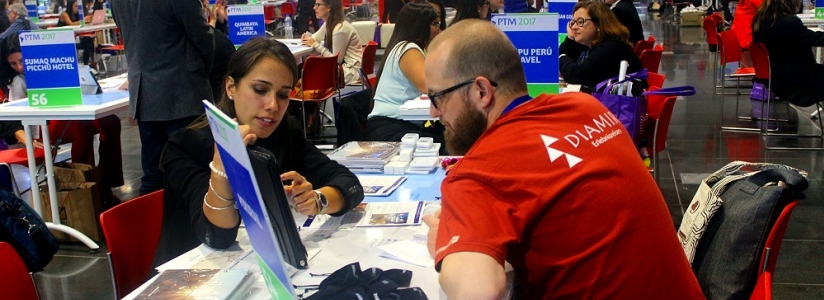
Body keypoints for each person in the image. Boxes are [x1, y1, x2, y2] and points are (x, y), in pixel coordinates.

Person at [421, 20, 705, 299]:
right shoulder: (584, 105)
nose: (434, 113)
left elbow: (476, 291)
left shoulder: (477, 174)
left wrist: (448, 243)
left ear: (481, 91)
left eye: (437, 97)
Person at [153, 38, 364, 267]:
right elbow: (216, 236)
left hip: (258, 266)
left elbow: (350, 185)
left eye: (283, 95)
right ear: (231, 87)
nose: (273, 105)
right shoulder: (187, 146)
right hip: (192, 275)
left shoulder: (284, 134)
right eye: (260, 90)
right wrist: (223, 168)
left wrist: (316, 200)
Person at [112, 0, 215, 195]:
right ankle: (194, 224)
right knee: (193, 172)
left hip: (145, 94)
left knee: (152, 174)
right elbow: (203, 38)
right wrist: (201, 73)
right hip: (184, 92)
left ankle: (153, 223)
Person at [0, 34, 124, 194]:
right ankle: (86, 187)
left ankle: (105, 180)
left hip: (60, 114)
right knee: (82, 127)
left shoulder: (46, 67)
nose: (18, 67)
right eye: (13, 63)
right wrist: (27, 139)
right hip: (40, 126)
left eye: (22, 61)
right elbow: (16, 116)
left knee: (110, 121)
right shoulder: (17, 81)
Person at [365, 2, 446, 152]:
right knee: (449, 148)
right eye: (435, 24)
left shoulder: (404, 47)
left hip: (397, 125)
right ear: (420, 25)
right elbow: (428, 86)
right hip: (391, 130)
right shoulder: (408, 49)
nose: (439, 30)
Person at [752, 0, 824, 107]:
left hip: (774, 80)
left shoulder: (759, 21)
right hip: (797, 84)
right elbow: (814, 38)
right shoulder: (789, 23)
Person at [559, 1, 642, 90]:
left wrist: (561, 57)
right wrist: (571, 38)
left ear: (599, 24)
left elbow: (577, 77)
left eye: (580, 22)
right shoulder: (592, 45)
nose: (574, 27)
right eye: (573, 22)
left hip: (621, 102)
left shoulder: (610, 48)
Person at [300, 0, 362, 85]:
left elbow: (335, 61)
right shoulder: (329, 24)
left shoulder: (340, 29)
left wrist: (314, 44)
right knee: (302, 68)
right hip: (343, 69)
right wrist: (306, 37)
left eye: (318, 5)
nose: (314, 8)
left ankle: (305, 96)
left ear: (329, 7)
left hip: (350, 72)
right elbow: (314, 38)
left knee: (304, 71)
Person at [57, 0, 95, 68]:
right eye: (75, 6)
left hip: (73, 38)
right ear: (70, 6)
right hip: (62, 39)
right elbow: (71, 24)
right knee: (87, 41)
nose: (77, 8)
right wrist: (83, 20)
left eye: (78, 6)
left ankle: (87, 64)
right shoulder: (64, 14)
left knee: (88, 40)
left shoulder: (76, 15)